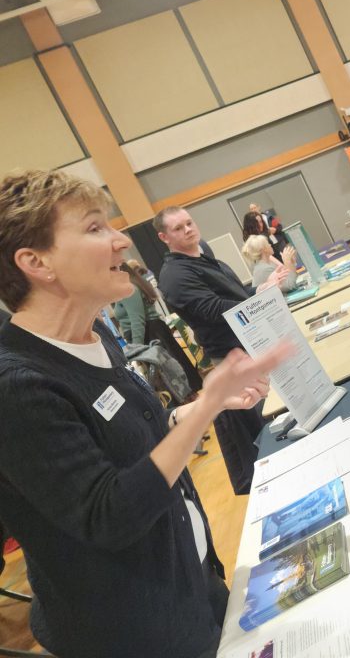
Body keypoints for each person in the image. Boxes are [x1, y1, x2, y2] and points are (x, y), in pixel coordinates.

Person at [0, 169, 286, 658]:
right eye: (94, 229)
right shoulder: (16, 386)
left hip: (193, 583)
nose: (120, 243)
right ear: (35, 262)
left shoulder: (97, 337)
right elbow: (110, 514)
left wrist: (187, 413)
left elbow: (127, 444)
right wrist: (207, 407)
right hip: (138, 634)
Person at [155, 206, 283, 495]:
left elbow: (233, 294)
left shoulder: (204, 255)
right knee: (256, 439)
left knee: (265, 424)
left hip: (249, 348)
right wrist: (259, 298)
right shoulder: (174, 276)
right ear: (165, 237)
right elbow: (214, 310)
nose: (188, 229)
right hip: (232, 360)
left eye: (189, 222)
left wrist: (257, 291)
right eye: (178, 228)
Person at [112, 259, 160, 345]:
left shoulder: (128, 289)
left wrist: (137, 348)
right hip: (151, 333)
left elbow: (137, 320)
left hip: (147, 336)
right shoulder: (132, 284)